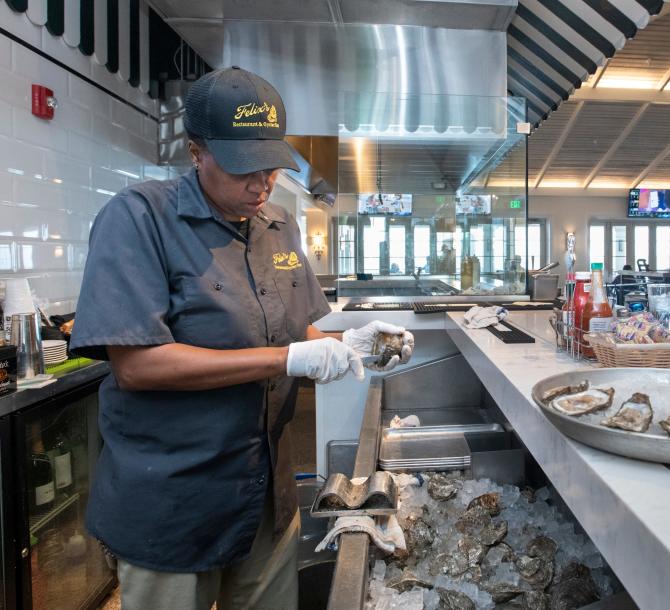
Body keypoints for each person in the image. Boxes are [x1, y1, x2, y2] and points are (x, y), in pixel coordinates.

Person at [70, 67, 414, 609]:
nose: (261, 183)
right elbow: (137, 365)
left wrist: (350, 343)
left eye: (271, 165)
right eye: (242, 167)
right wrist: (287, 358)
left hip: (265, 498)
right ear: (195, 152)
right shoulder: (139, 218)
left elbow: (293, 329)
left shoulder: (279, 224)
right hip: (174, 502)